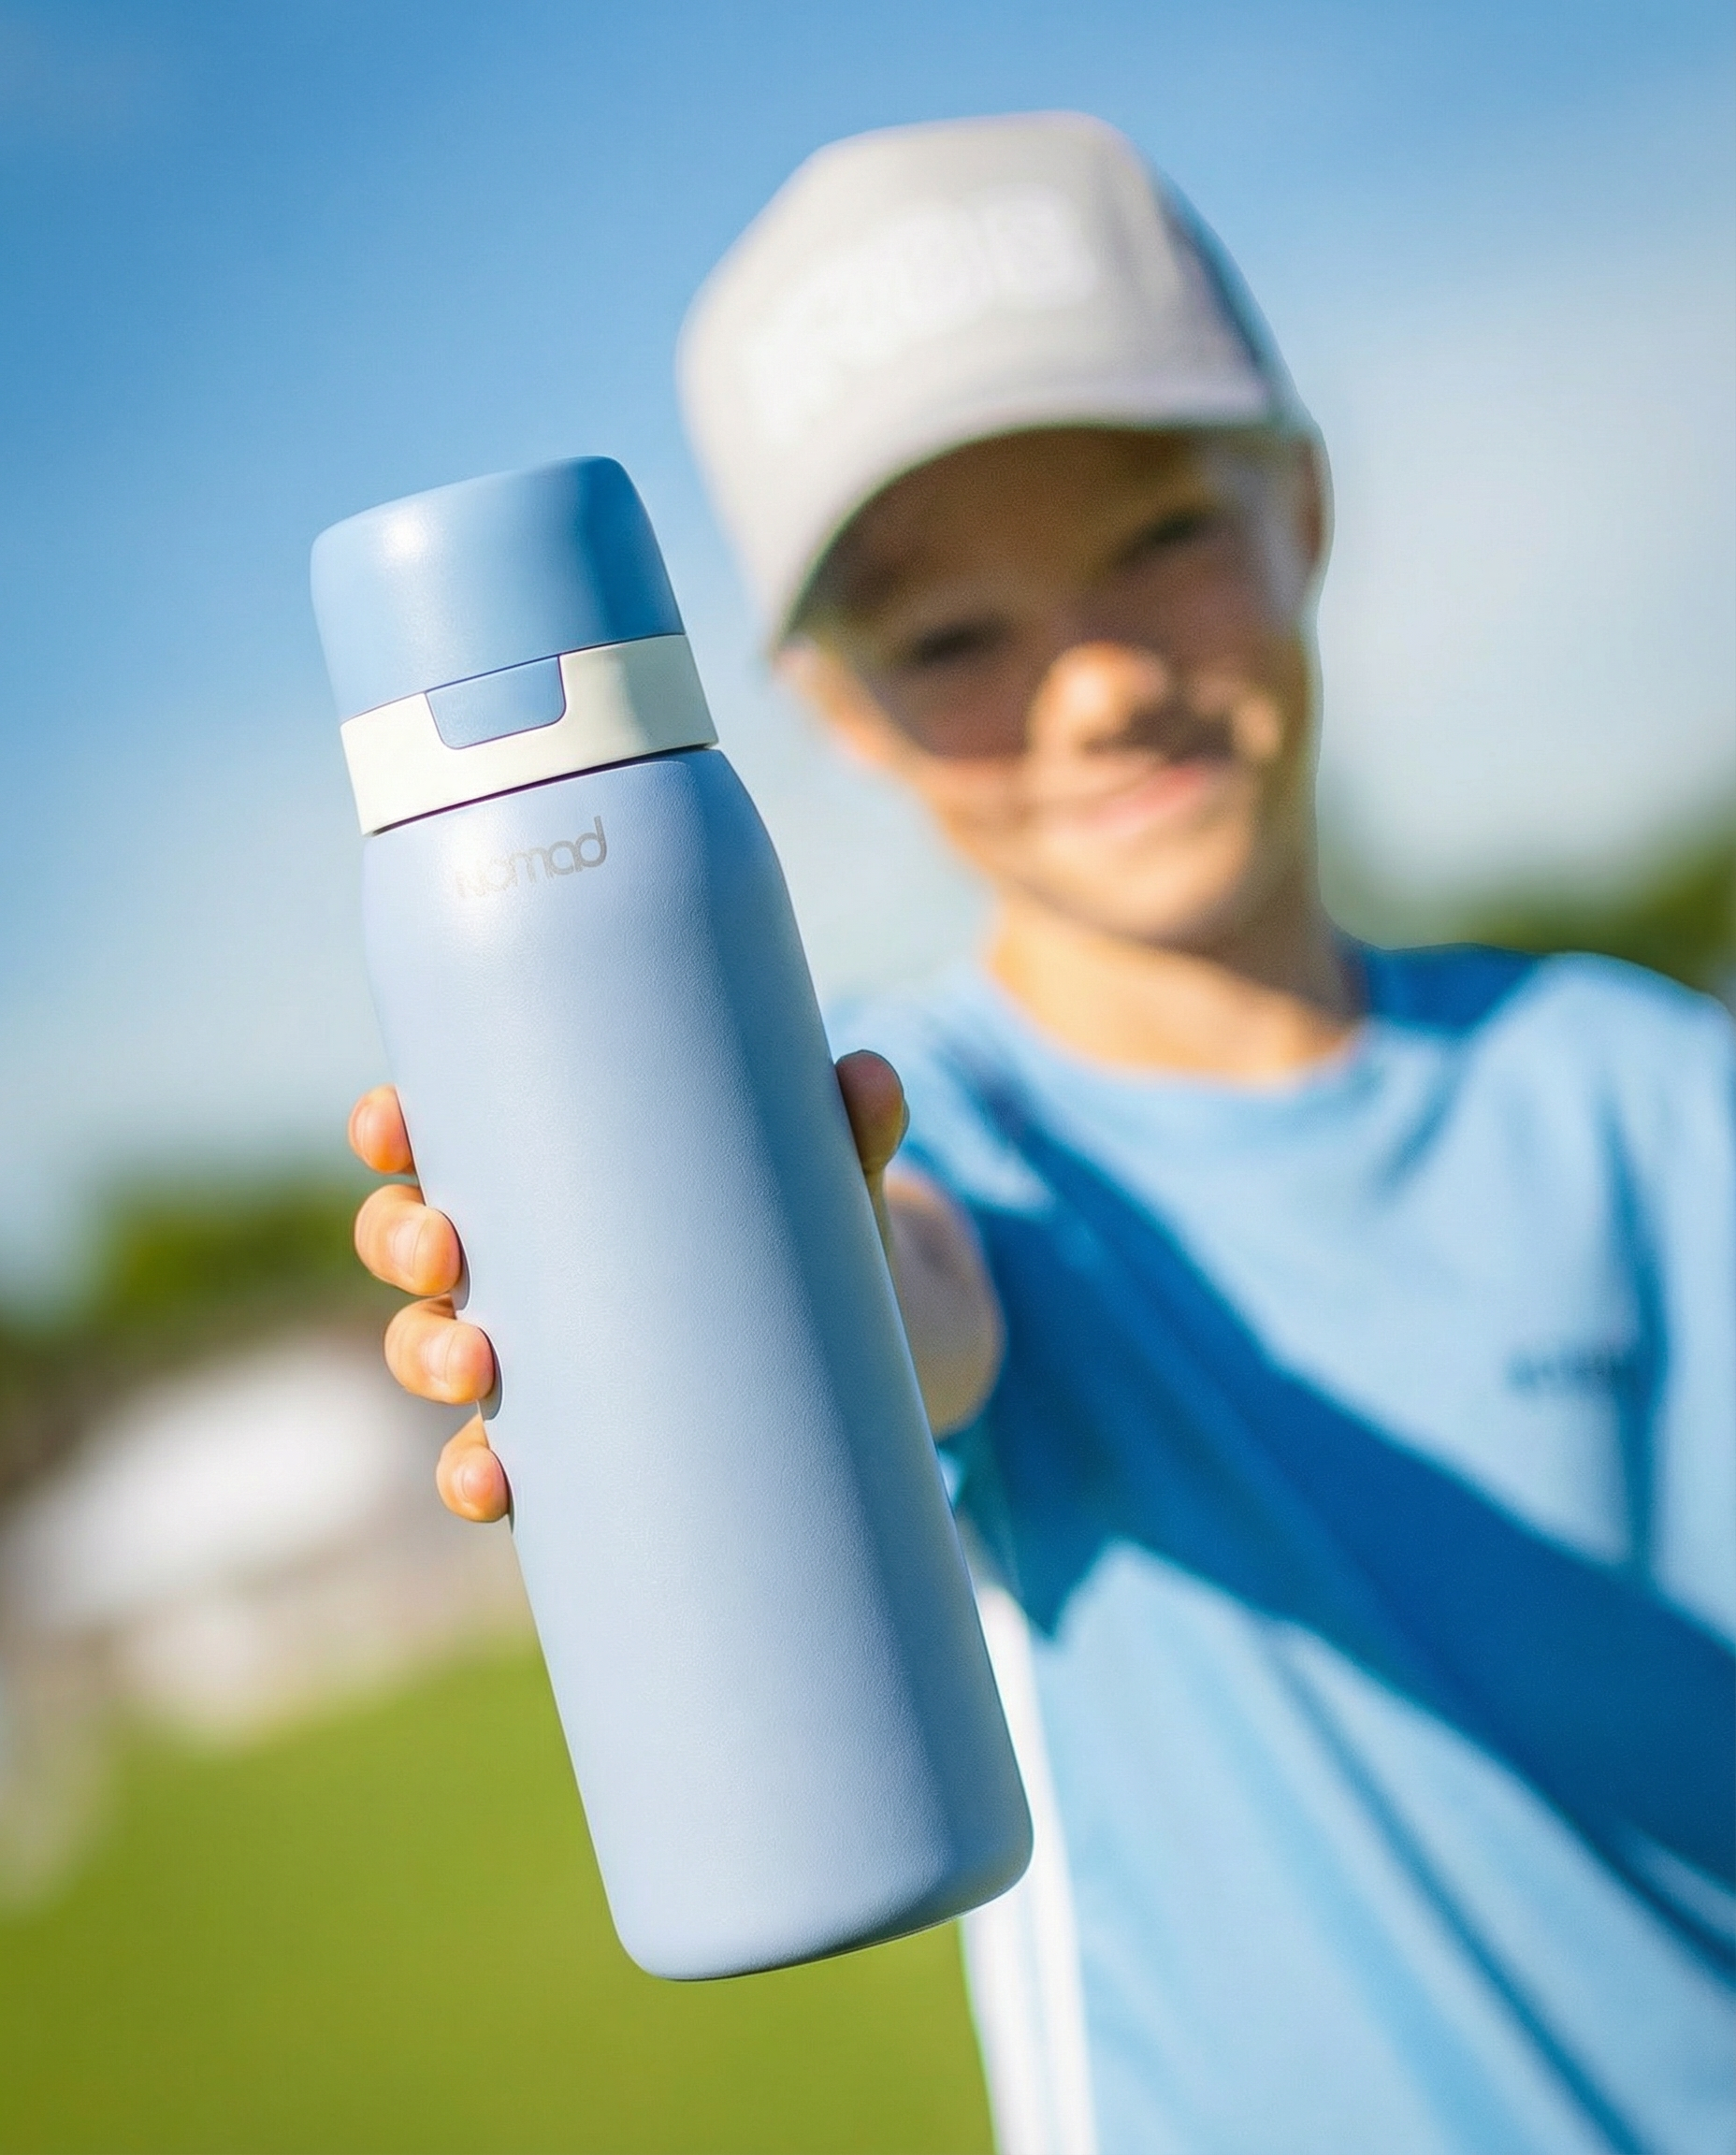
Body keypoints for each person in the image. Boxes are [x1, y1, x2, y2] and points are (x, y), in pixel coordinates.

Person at [346, 114, 1735, 2155]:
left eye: (1156, 537)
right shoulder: (934, 1144)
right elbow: (907, 1301)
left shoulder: (1642, 1089)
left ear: (1306, 509)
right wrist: (768, 1270)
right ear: (834, 711)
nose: (1092, 688)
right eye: (948, 640)